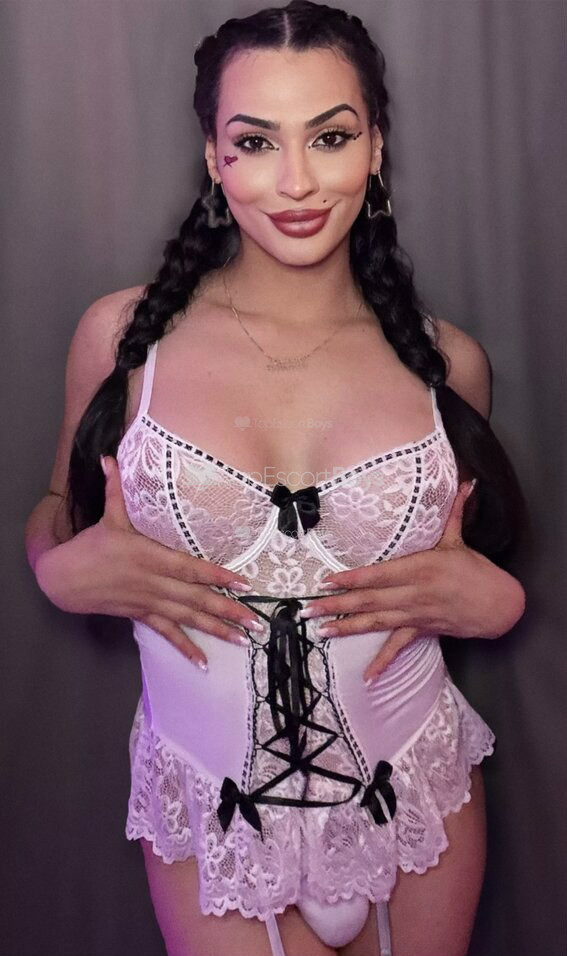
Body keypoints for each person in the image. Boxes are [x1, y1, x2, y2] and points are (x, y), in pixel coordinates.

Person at [25, 2, 526, 954]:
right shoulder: (123, 340)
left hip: (420, 794)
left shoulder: (446, 362)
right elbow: (56, 509)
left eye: (329, 137)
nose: (296, 181)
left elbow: (474, 566)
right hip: (213, 809)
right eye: (256, 142)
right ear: (214, 159)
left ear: (375, 147)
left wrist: (497, 604)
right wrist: (55, 566)